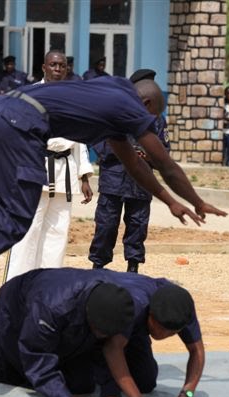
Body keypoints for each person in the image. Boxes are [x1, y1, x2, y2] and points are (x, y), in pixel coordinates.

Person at [0, 74, 227, 330]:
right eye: (151, 118)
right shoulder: (131, 109)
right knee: (15, 215)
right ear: (145, 104)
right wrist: (195, 200)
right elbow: (163, 162)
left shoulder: (114, 91)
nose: (148, 126)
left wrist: (168, 200)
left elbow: (134, 164)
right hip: (23, 122)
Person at [0, 268, 203, 397]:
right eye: (163, 331)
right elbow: (36, 353)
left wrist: (110, 392)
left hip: (81, 317)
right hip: (18, 309)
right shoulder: (52, 307)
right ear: (150, 317)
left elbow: (105, 346)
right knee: (4, 373)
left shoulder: (174, 306)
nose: (167, 337)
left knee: (85, 382)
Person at [4, 51, 93, 280]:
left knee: (57, 234)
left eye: (61, 65)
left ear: (67, 69)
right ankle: (16, 287)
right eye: (53, 65)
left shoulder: (74, 97)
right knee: (28, 231)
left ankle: (46, 288)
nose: (57, 69)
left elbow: (81, 138)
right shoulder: (28, 95)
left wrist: (84, 176)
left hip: (65, 172)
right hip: (36, 168)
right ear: (43, 67)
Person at [88, 68, 168, 274]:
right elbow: (99, 144)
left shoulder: (157, 119)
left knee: (137, 226)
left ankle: (133, 268)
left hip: (141, 181)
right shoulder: (113, 111)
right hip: (114, 179)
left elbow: (163, 153)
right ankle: (98, 266)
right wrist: (127, 151)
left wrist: (146, 155)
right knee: (106, 225)